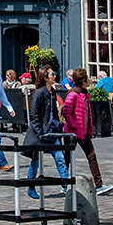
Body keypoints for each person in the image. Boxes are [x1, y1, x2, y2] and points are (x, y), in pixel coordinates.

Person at [62, 68, 113, 196]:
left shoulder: (84, 94)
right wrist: (73, 126)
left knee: (92, 156)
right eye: (87, 78)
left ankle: (99, 184)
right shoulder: (73, 94)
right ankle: (63, 185)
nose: (90, 80)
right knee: (66, 158)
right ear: (83, 81)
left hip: (83, 132)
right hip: (72, 133)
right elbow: (66, 112)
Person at [22, 65, 69, 199]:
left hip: (52, 131)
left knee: (60, 157)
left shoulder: (52, 92)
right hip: (41, 132)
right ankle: (31, 186)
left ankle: (66, 184)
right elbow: (34, 115)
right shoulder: (39, 93)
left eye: (54, 73)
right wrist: (39, 132)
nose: (54, 76)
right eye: (51, 74)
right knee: (35, 160)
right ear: (45, 77)